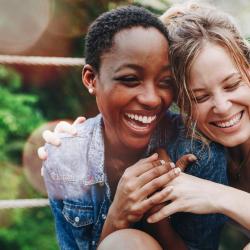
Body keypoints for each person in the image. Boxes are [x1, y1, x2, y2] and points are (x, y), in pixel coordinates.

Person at [40, 5, 228, 250]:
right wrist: (118, 216)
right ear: (91, 79)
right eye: (130, 79)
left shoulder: (198, 151)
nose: (151, 98)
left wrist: (157, 211)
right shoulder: (64, 158)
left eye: (165, 81)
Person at [144, 2, 250, 246]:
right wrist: (74, 141)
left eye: (232, 84)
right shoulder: (192, 149)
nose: (223, 106)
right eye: (199, 97)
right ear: (179, 103)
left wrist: (219, 196)